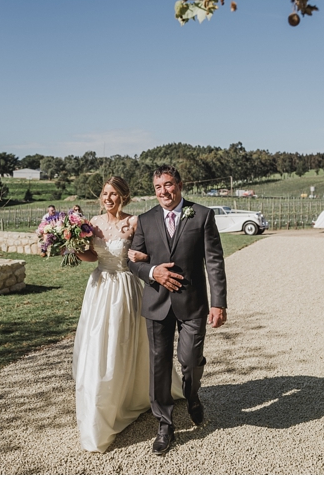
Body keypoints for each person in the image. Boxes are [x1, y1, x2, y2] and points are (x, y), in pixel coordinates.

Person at [70, 176, 182, 453]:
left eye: (114, 194)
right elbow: (92, 258)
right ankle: (102, 406)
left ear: (123, 197)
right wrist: (72, 245)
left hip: (126, 288)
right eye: (105, 193)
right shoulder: (92, 223)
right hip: (99, 289)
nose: (108, 198)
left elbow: (148, 252)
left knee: (127, 342)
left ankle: (136, 393)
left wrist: (143, 259)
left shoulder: (134, 222)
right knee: (99, 345)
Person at [129, 165, 227, 455]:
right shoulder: (145, 220)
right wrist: (152, 271)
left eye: (168, 185)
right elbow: (133, 261)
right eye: (158, 187)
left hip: (193, 303)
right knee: (158, 365)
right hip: (157, 303)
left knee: (190, 358)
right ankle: (164, 423)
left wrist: (218, 302)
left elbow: (214, 261)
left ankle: (192, 394)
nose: (164, 192)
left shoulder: (203, 215)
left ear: (180, 185)